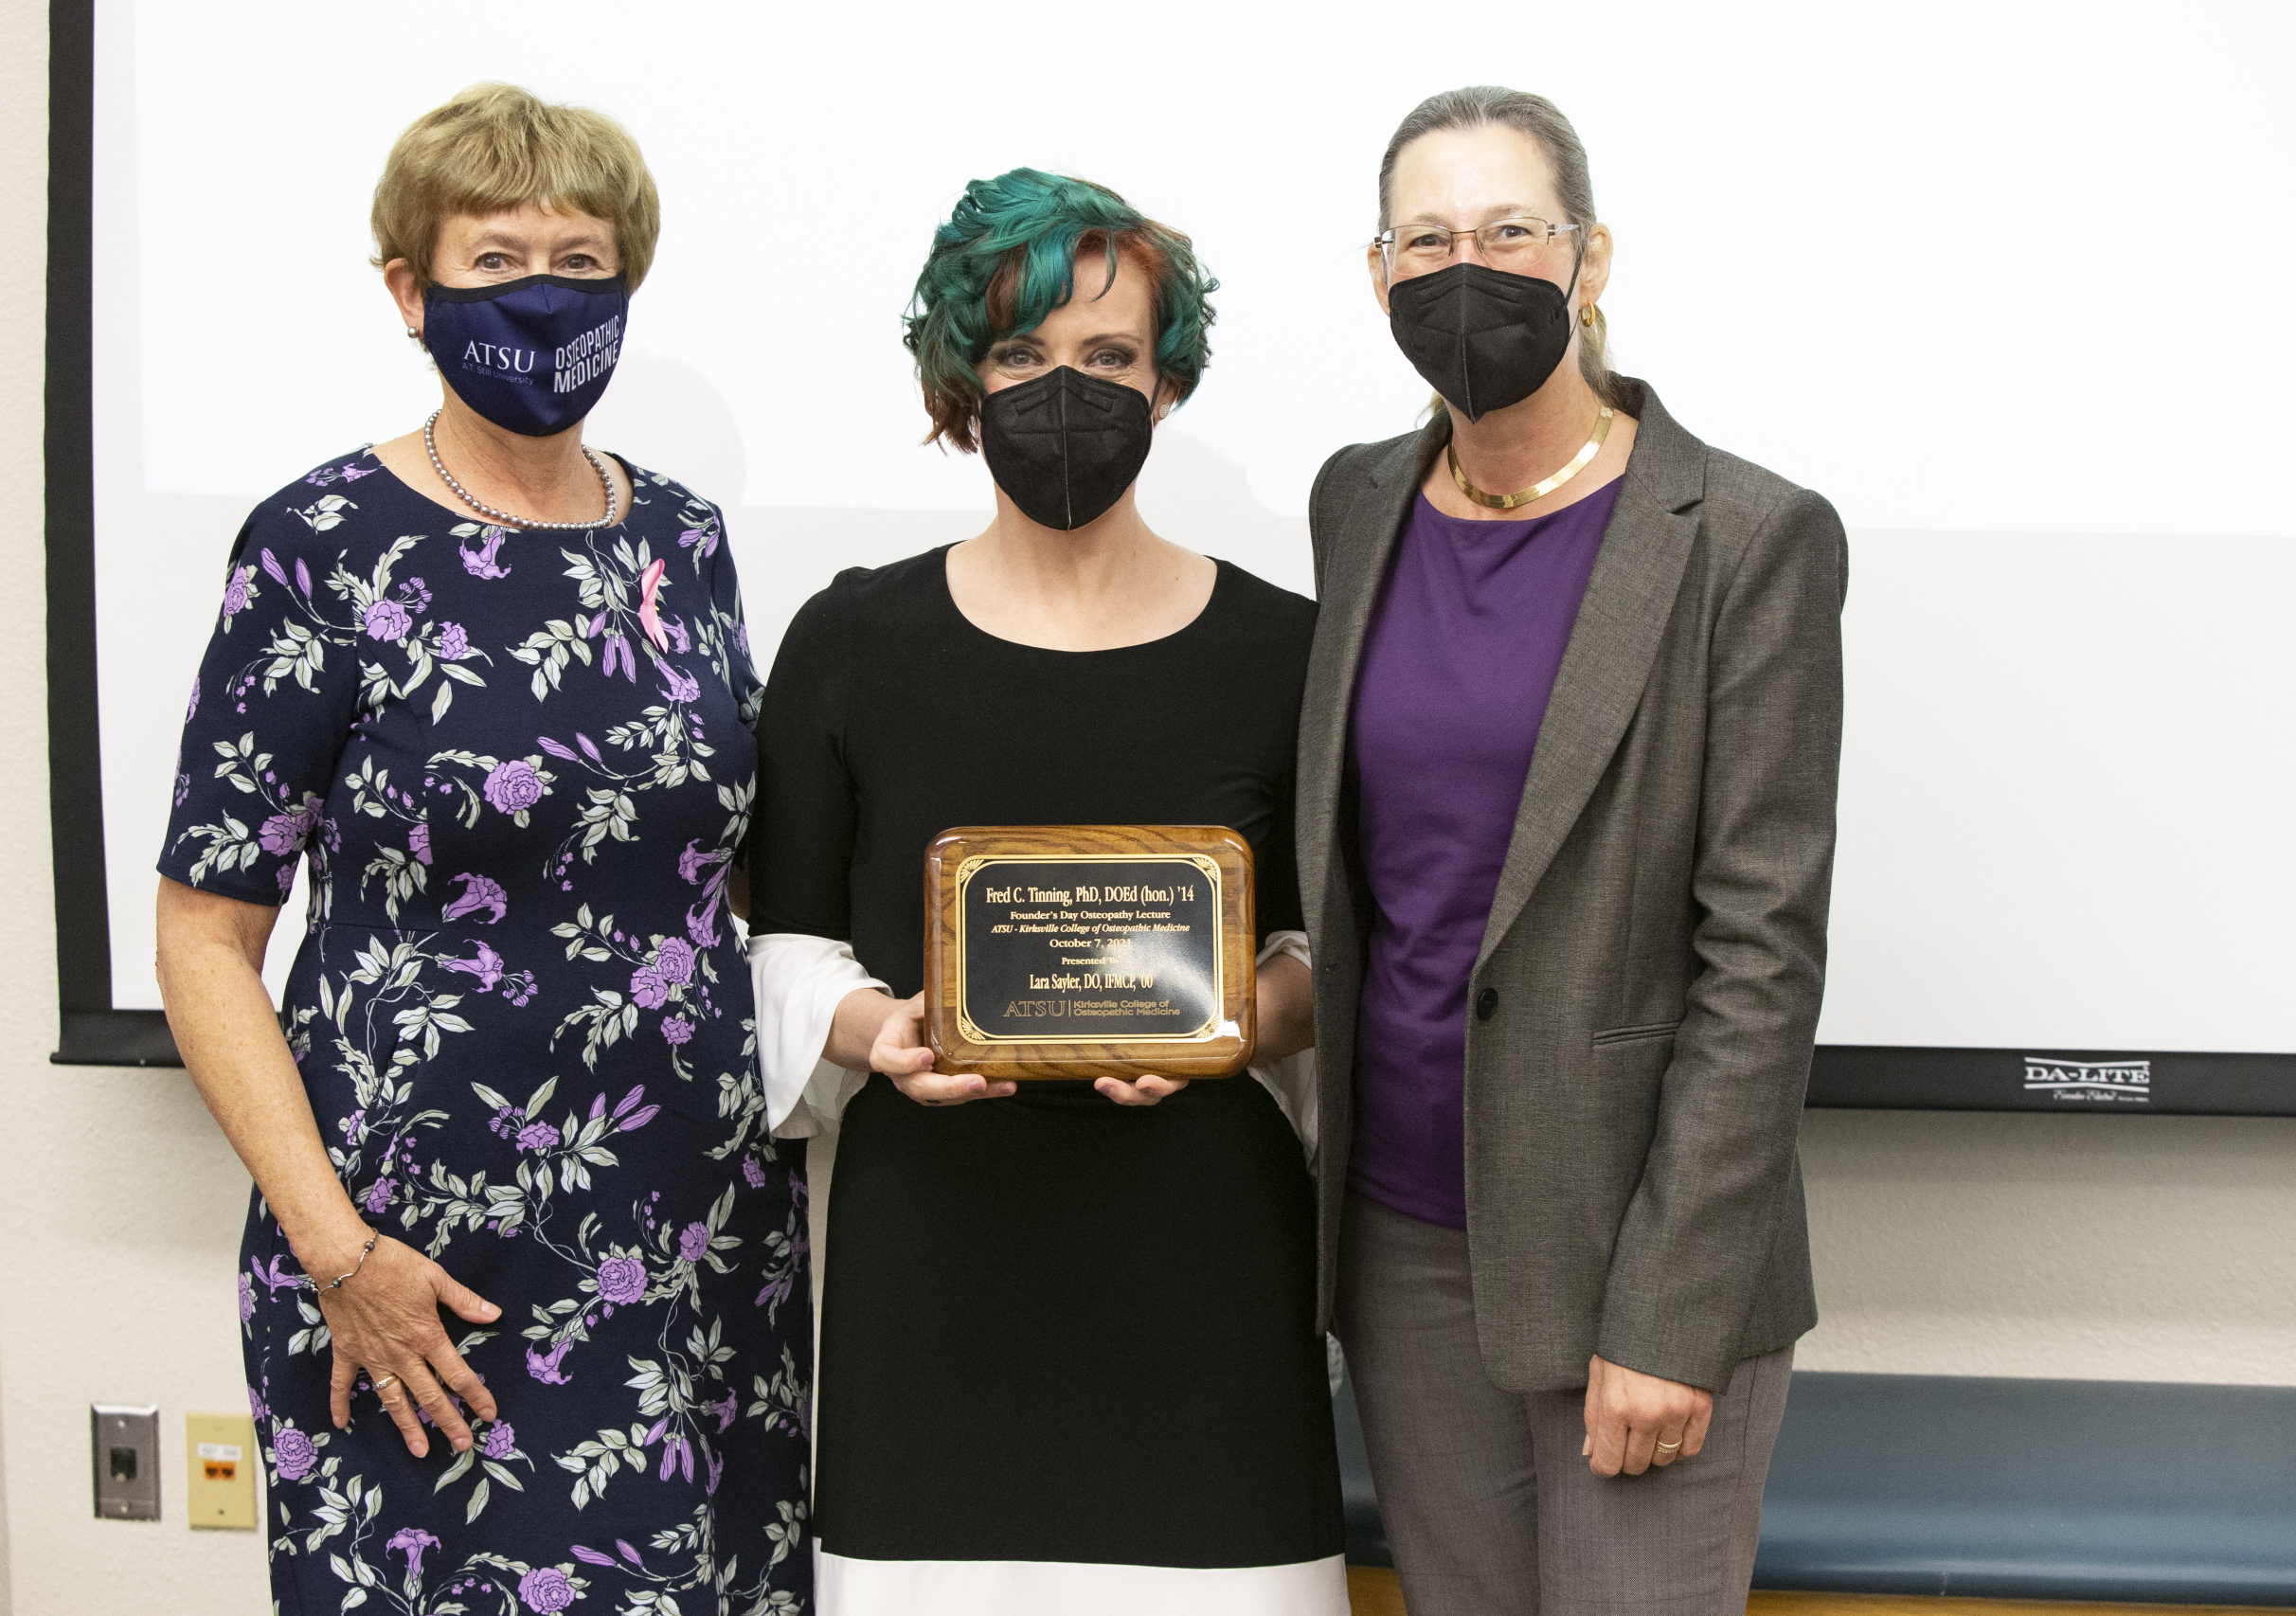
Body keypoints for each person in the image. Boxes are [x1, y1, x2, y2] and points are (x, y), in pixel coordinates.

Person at [153, 83, 810, 1616]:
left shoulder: (685, 540)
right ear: (408, 289)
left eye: (583, 262)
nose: (543, 295)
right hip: (412, 1267)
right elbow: (203, 939)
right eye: (497, 256)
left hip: (687, 1249)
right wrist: (338, 1254)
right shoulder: (321, 543)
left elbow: (735, 860)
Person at [745, 170, 1348, 1615]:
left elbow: (1344, 951)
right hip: (932, 1281)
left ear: (1169, 377)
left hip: (1204, 1284)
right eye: (1020, 355)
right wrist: (876, 1029)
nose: (1061, 391)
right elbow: (784, 944)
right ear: (963, 380)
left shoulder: (1289, 650)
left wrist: (1236, 1023)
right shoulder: (850, 640)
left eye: (1107, 357)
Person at [1298, 86, 1846, 1615]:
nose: (1466, 266)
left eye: (1511, 231)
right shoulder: (1357, 503)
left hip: (1633, 1249)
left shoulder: (1747, 535)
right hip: (1401, 1234)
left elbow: (1763, 957)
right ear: (1380, 274)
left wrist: (1673, 1313)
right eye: (1429, 237)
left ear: (1591, 259)